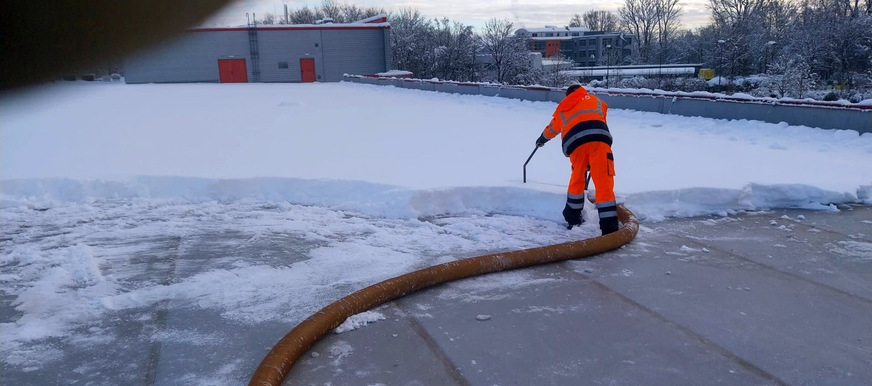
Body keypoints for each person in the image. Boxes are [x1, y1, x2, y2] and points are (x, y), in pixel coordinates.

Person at [535, 84, 619, 235]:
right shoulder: (596, 101)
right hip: (599, 140)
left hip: (574, 144)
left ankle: (572, 217)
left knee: (577, 178)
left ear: (568, 95)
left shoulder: (564, 107)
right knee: (603, 181)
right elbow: (601, 117)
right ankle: (609, 227)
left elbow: (552, 128)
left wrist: (541, 139)